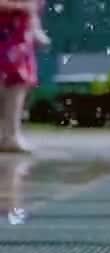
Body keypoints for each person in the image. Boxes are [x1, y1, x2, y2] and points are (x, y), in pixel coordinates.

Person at [0, 0, 47, 152]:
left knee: (18, 81)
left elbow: (33, 10)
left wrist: (35, 29)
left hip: (19, 37)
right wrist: (20, 7)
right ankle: (10, 135)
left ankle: (11, 135)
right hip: (6, 33)